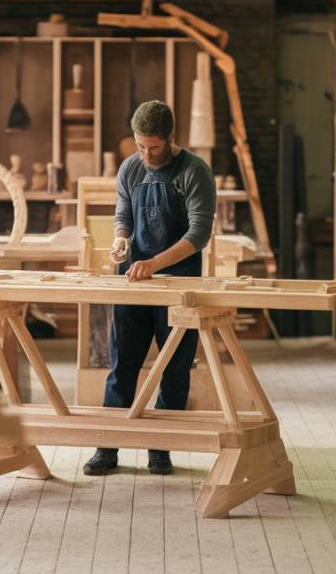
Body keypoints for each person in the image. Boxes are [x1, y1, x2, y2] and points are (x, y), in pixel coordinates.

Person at [82, 100, 217, 476]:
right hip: (133, 280)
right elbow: (123, 215)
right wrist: (121, 241)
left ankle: (161, 448)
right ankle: (107, 447)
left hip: (179, 282)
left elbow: (199, 233)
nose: (146, 154)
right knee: (122, 363)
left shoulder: (194, 171)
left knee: (173, 369)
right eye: (140, 146)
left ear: (171, 138)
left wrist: (155, 264)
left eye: (154, 147)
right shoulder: (130, 168)